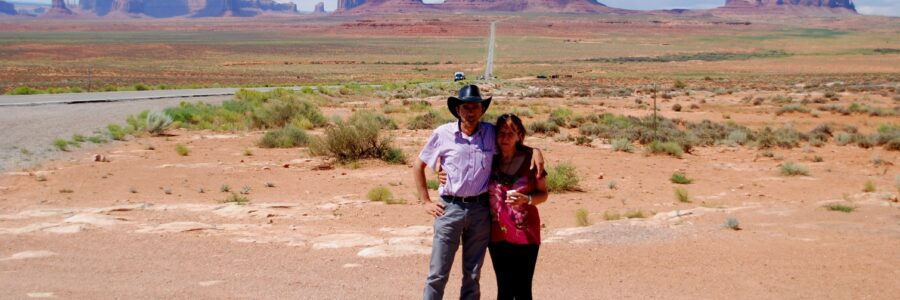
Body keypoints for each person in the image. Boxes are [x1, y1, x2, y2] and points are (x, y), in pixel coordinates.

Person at [413, 85, 542, 300]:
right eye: (466, 107)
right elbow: (418, 166)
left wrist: (536, 151)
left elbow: (514, 141)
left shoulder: (491, 133)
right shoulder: (442, 134)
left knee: (472, 274)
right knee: (438, 273)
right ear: (458, 110)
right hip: (449, 208)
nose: (470, 112)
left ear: (482, 110)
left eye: (475, 107)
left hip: (480, 211)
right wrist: (425, 200)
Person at [486, 114, 548, 300]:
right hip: (497, 231)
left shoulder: (531, 160)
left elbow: (543, 194)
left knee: (522, 289)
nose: (505, 138)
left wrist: (527, 199)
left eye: (511, 133)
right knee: (504, 289)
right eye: (501, 133)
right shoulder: (490, 159)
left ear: (520, 135)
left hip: (526, 232)